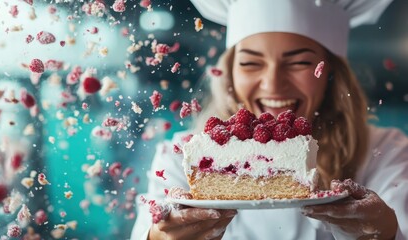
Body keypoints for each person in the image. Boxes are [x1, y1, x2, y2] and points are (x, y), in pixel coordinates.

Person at [131, 0, 408, 239]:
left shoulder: (386, 150)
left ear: (331, 73)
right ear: (229, 73)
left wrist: (385, 232)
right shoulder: (183, 155)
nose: (273, 84)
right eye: (250, 63)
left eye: (299, 63)